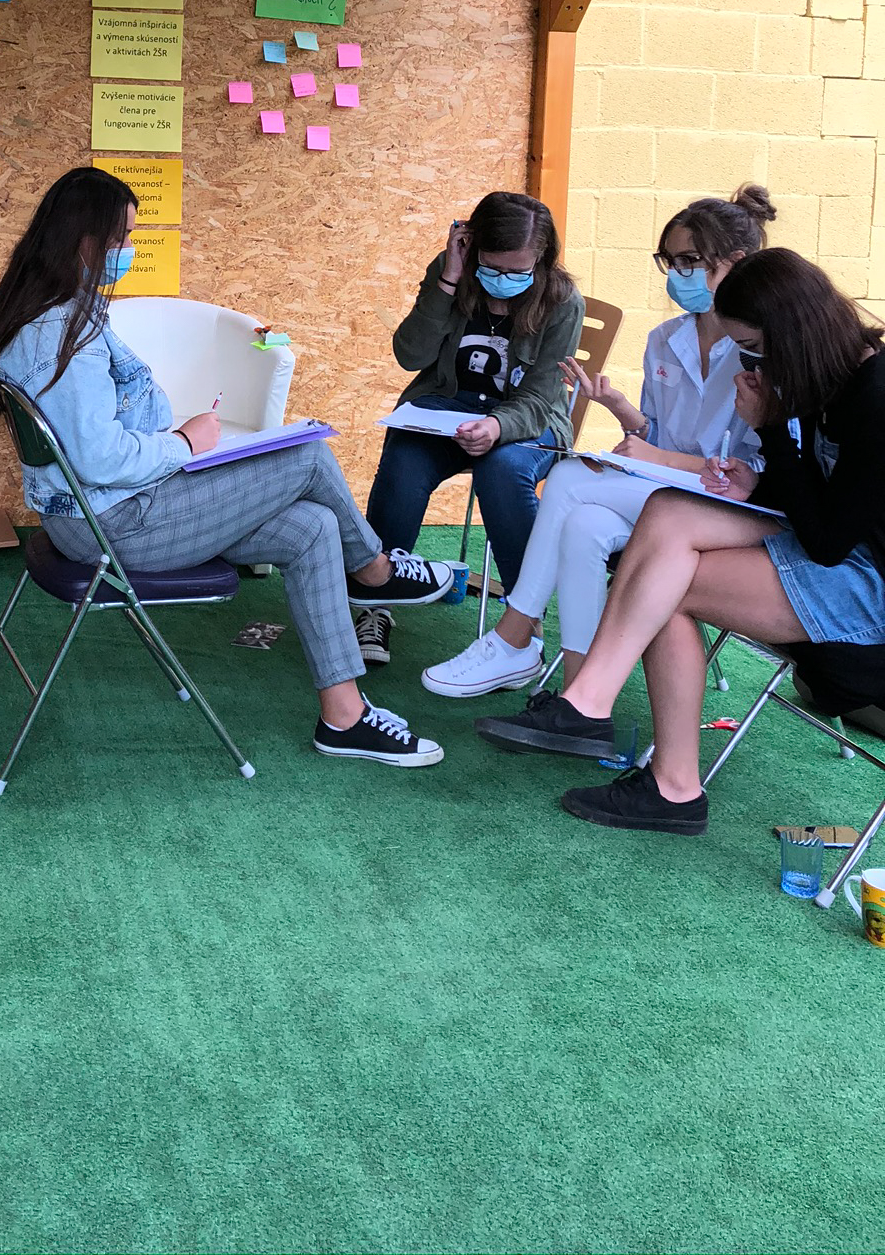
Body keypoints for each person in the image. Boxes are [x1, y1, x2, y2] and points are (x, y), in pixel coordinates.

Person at [0, 168, 456, 767]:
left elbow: (95, 441)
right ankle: (375, 571)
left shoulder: (48, 314)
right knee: (306, 453)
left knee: (313, 527)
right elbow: (100, 456)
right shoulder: (61, 331)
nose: (129, 249)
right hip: (116, 526)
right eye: (122, 238)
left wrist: (182, 443)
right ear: (83, 241)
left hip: (106, 513)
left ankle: (343, 718)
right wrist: (185, 443)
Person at [472, 248, 885, 835]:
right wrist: (758, 481)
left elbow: (831, 540)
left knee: (666, 583)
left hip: (867, 588)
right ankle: (591, 706)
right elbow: (827, 496)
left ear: (793, 334)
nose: (751, 362)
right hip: (834, 544)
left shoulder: (875, 395)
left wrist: (769, 425)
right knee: (666, 512)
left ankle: (666, 781)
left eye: (754, 348)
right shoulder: (835, 377)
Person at [420, 186, 774, 699]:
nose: (677, 275)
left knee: (568, 476)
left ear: (735, 263)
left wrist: (658, 457)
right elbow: (655, 435)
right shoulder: (665, 339)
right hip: (669, 493)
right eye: (669, 261)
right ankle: (577, 697)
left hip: (728, 506)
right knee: (584, 526)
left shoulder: (761, 349)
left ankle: (515, 636)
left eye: (690, 261)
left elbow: (756, 471)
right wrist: (621, 409)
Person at [361, 192, 582, 630]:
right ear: (471, 244)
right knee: (404, 458)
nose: (502, 279)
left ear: (541, 260)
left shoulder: (562, 301)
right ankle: (375, 602)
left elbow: (540, 399)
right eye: (492, 266)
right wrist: (448, 280)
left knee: (504, 469)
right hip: (446, 407)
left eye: (517, 272)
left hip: (526, 420)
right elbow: (410, 355)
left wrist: (497, 425)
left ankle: (524, 620)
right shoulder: (452, 272)